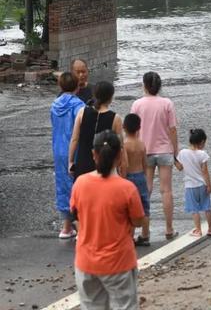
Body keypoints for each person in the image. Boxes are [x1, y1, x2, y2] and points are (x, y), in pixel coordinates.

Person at [70, 130, 145, 309]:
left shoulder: (80, 183)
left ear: (93, 155)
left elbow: (76, 215)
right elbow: (138, 221)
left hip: (86, 262)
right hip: (119, 262)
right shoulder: (127, 189)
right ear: (120, 155)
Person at [130, 71, 180, 240]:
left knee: (146, 191)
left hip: (145, 150)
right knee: (166, 190)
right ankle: (169, 229)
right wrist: (176, 151)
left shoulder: (137, 104)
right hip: (165, 150)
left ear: (144, 85)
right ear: (159, 86)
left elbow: (133, 130)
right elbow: (172, 129)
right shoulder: (167, 103)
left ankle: (145, 231)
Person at [50, 72, 85, 239]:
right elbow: (80, 132)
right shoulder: (79, 106)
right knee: (78, 185)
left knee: (63, 186)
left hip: (58, 150)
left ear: (60, 86)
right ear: (77, 86)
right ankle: (80, 226)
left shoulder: (54, 105)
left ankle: (66, 227)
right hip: (74, 150)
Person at [69, 81, 123, 179]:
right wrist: (121, 168)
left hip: (82, 164)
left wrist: (71, 162)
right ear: (111, 98)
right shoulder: (116, 118)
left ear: (95, 95)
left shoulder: (82, 112)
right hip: (105, 166)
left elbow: (74, 139)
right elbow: (120, 147)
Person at [176, 129, 211, 238]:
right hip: (202, 185)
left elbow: (179, 168)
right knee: (207, 207)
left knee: (194, 209)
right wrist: (209, 185)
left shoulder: (183, 152)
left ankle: (198, 230)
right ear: (202, 142)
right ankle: (210, 229)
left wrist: (174, 159)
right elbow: (205, 172)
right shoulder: (202, 154)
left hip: (190, 186)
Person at [123, 113, 151, 246]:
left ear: (124, 128)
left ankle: (130, 236)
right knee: (144, 206)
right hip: (140, 176)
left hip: (129, 177)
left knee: (129, 208)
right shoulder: (141, 144)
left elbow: (124, 165)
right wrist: (146, 177)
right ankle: (145, 235)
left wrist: (121, 179)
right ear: (139, 128)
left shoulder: (125, 145)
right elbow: (145, 163)